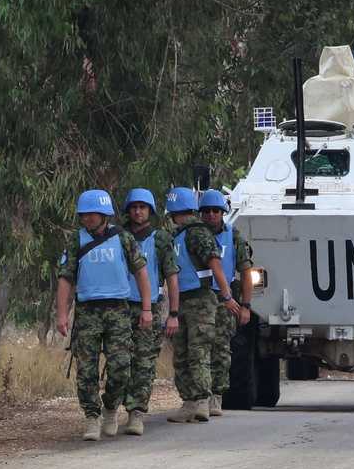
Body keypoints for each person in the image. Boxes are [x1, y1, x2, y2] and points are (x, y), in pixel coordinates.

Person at [55, 189, 153, 441]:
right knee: (86, 370)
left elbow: (142, 272)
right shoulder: (75, 240)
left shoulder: (123, 238)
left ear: (104, 214)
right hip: (87, 312)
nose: (87, 218)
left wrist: (146, 308)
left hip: (118, 310)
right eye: (84, 214)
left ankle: (110, 407)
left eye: (92, 214)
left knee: (121, 367)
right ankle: (91, 417)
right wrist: (62, 314)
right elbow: (66, 278)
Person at [165, 187, 237, 422]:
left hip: (200, 300)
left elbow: (214, 263)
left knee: (199, 351)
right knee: (182, 354)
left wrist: (226, 296)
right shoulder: (178, 235)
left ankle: (203, 401)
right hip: (182, 301)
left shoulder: (196, 233)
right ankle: (188, 402)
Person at [120, 188, 180, 436]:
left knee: (144, 363)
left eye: (143, 207)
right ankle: (115, 407)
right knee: (120, 362)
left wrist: (173, 313)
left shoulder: (161, 239)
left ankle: (136, 413)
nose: (138, 211)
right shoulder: (117, 237)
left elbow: (172, 277)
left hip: (150, 309)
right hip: (120, 307)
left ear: (150, 211)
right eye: (134, 207)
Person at [195, 189, 253, 416]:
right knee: (198, 352)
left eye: (216, 211)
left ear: (223, 213)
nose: (211, 215)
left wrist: (245, 305)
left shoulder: (234, 236)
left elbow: (246, 272)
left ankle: (216, 396)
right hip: (198, 299)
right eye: (206, 211)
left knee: (221, 350)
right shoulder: (194, 235)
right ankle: (200, 396)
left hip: (224, 301)